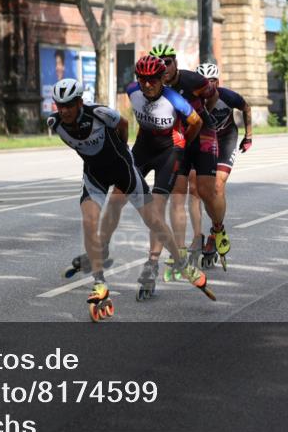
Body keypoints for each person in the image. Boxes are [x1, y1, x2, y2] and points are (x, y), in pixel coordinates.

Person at [47, 78, 208, 321]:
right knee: (89, 221)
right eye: (60, 106)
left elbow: (123, 126)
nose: (65, 111)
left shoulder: (100, 114)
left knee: (154, 221)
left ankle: (182, 262)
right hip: (94, 176)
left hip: (124, 172)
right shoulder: (55, 124)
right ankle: (99, 284)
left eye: (69, 105)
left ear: (80, 102)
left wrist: (120, 152)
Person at [147, 44, 231, 266]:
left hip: (203, 136)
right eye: (158, 64)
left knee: (206, 191)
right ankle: (180, 250)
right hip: (179, 140)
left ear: (175, 63)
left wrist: (204, 114)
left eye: (167, 62)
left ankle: (218, 228)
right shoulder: (153, 87)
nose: (163, 67)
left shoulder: (193, 80)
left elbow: (213, 96)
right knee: (178, 194)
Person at [184, 63, 252, 269]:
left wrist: (248, 135)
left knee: (217, 186)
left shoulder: (227, 96)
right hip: (203, 140)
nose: (209, 85)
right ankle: (197, 236)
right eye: (204, 82)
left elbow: (246, 108)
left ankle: (216, 230)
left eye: (212, 81)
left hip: (225, 139)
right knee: (194, 188)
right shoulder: (190, 98)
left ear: (218, 82)